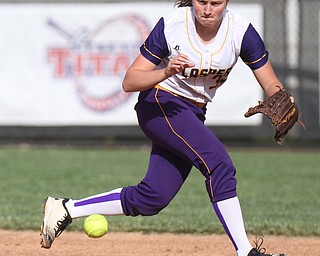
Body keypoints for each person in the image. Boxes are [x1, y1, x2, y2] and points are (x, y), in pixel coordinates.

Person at [40, 1, 290, 255]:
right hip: (160, 103)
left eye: (216, 3)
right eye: (201, 1)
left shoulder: (240, 31)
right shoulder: (173, 26)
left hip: (192, 113)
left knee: (153, 197)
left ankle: (65, 209)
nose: (207, 9)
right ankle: (245, 251)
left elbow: (271, 83)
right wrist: (167, 71)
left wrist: (283, 99)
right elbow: (130, 81)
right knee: (219, 164)